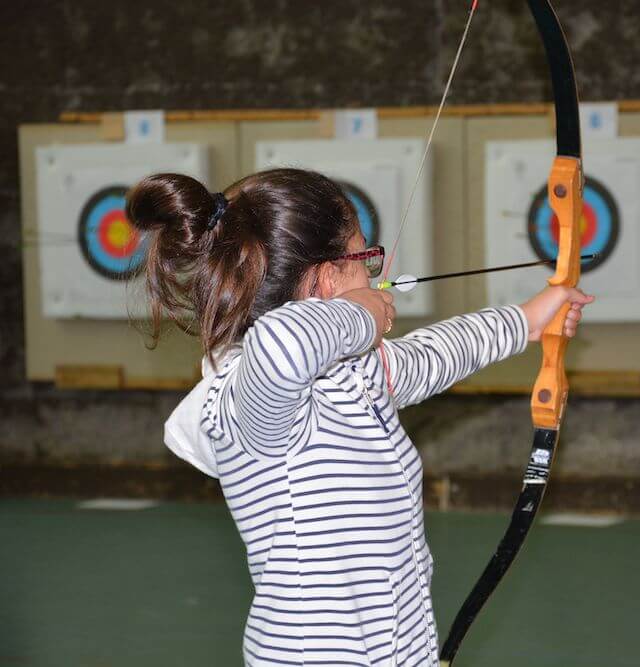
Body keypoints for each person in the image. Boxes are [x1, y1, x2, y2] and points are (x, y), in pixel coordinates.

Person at [127, 168, 594, 666]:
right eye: (365, 257)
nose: (376, 271)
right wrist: (361, 312)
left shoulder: (355, 375)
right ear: (328, 278)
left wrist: (525, 321)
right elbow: (281, 345)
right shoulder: (250, 401)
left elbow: (432, 354)